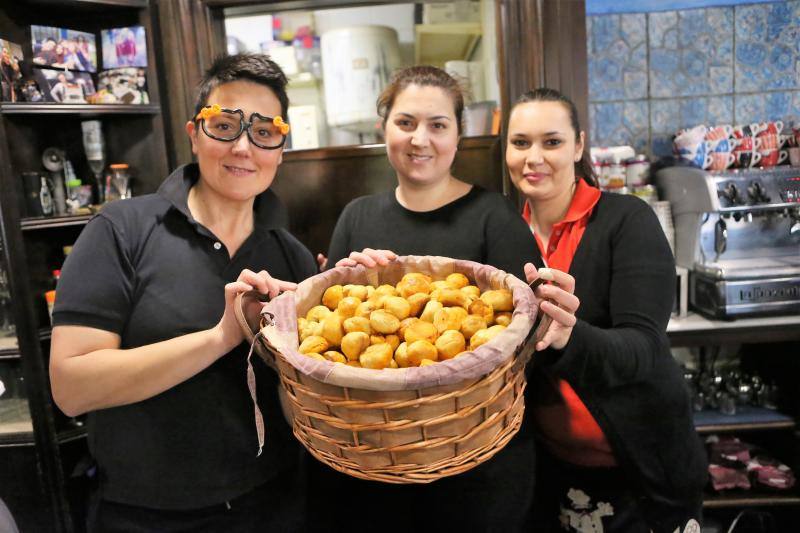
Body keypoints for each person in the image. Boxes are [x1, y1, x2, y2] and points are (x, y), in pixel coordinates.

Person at [49, 53, 315, 532]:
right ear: (194, 134)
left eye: (264, 132)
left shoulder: (290, 254)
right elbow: (71, 388)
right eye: (225, 125)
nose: (243, 147)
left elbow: (302, 405)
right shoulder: (122, 230)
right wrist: (220, 336)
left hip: (272, 506)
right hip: (146, 517)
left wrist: (351, 297)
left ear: (280, 149)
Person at [314, 65, 543, 533]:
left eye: (438, 125)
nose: (420, 139)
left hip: (478, 464)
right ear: (384, 130)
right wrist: (345, 278)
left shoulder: (493, 217)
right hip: (376, 461)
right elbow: (326, 338)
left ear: (460, 135)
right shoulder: (356, 217)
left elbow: (529, 337)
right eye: (406, 123)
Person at [505, 88, 706, 533]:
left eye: (551, 142)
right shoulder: (502, 231)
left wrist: (568, 337)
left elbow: (643, 348)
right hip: (550, 474)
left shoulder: (627, 220)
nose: (533, 157)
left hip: (645, 472)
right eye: (520, 143)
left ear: (578, 146)